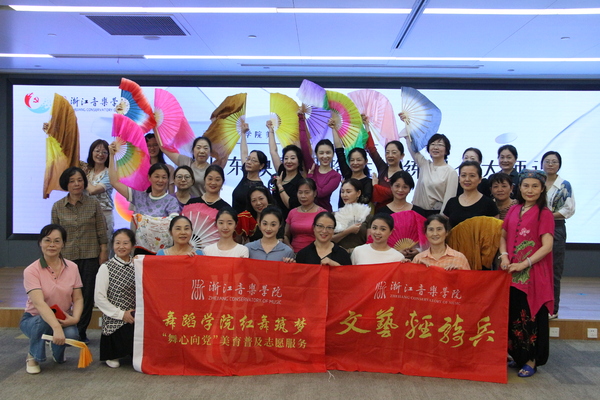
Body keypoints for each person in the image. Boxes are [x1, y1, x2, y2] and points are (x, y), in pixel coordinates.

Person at [499, 169, 554, 378]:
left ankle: (531, 359)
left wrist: (524, 264)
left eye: (535, 186)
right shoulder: (514, 209)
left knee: (530, 316)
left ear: (542, 189)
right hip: (511, 272)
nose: (530, 190)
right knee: (514, 314)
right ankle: (518, 355)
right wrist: (504, 256)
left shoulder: (544, 213)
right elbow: (503, 235)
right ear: (519, 188)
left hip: (533, 274)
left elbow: (547, 246)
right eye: (526, 186)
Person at [51, 167, 108, 343]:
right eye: (72, 181)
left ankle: (80, 332)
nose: (76, 184)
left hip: (90, 256)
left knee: (87, 295)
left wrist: (104, 251)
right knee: (65, 295)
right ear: (65, 184)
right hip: (66, 258)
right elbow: (54, 236)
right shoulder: (58, 206)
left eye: (80, 180)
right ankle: (65, 329)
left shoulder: (93, 204)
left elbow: (101, 230)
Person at [20, 224, 83, 374]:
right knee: (42, 322)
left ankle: (56, 348)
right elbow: (39, 303)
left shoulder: (73, 267)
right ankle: (33, 356)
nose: (52, 245)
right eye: (47, 240)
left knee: (73, 334)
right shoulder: (31, 270)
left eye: (57, 241)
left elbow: (78, 298)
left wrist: (75, 319)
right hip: (34, 319)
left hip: (61, 316)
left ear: (63, 244)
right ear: (40, 243)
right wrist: (56, 328)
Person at [109, 142, 180, 254]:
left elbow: (174, 223)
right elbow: (114, 182)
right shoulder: (139, 196)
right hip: (140, 251)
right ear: (149, 178)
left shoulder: (171, 201)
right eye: (157, 176)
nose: (160, 180)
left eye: (164, 177)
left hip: (163, 252)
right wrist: (112, 156)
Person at [94, 228, 136, 368]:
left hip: (136, 314)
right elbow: (99, 298)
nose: (121, 246)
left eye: (125, 243)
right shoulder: (106, 267)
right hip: (115, 317)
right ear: (112, 245)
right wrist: (121, 314)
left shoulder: (138, 264)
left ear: (133, 245)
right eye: (117, 243)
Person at [542, 151, 575, 319]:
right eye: (547, 161)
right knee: (538, 270)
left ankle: (552, 309)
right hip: (536, 227)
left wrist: (546, 216)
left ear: (559, 165)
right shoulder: (537, 182)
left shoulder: (564, 185)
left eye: (554, 161)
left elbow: (568, 209)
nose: (550, 164)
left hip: (556, 228)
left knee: (554, 269)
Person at [405, 133, 458, 217]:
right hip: (418, 212)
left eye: (440, 145)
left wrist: (442, 219)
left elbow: (449, 199)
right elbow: (412, 149)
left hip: (436, 214)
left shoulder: (451, 172)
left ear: (446, 150)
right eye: (432, 144)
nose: (435, 147)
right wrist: (408, 135)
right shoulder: (424, 165)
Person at [299, 117, 341, 211]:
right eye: (321, 153)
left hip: (324, 214)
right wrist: (301, 119)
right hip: (306, 211)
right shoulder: (312, 167)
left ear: (333, 154)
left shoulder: (336, 176)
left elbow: (320, 193)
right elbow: (304, 144)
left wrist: (310, 176)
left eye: (328, 153)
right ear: (317, 154)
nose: (325, 156)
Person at [365, 116, 405, 211]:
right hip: (378, 211)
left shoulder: (403, 175)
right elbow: (371, 149)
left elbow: (392, 193)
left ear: (402, 156)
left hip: (394, 212)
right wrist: (366, 125)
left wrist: (376, 186)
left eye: (394, 152)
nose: (390, 155)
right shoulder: (382, 167)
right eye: (387, 152)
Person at [443, 161, 499, 228]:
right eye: (463, 175)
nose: (467, 179)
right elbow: (445, 228)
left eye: (472, 176)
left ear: (480, 179)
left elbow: (495, 229)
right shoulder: (452, 202)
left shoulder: (488, 203)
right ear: (459, 178)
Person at [268, 119, 304, 220]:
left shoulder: (300, 182)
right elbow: (273, 151)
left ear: (299, 161)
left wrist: (280, 186)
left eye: (292, 158)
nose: (288, 161)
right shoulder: (281, 171)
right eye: (286, 158)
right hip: (273, 218)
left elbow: (290, 205)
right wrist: (271, 130)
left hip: (288, 221)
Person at [332, 124, 372, 208]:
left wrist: (349, 188)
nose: (355, 163)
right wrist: (334, 128)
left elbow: (366, 200)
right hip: (341, 214)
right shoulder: (347, 174)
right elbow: (339, 151)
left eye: (359, 160)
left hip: (357, 215)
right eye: (352, 160)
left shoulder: (368, 182)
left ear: (366, 161)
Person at [231, 121, 267, 213]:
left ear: (261, 166)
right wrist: (243, 133)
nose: (249, 162)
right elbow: (244, 152)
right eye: (249, 159)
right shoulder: (246, 173)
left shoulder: (259, 187)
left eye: (254, 160)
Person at [284, 178, 326, 253]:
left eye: (307, 192)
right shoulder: (292, 212)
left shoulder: (322, 213)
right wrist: (288, 246)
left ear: (315, 193)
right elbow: (286, 235)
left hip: (315, 253)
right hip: (293, 254)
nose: (303, 196)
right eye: (300, 192)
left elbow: (327, 237)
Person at [84, 139, 114, 241]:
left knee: (104, 245)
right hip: (86, 214)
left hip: (104, 214)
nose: (100, 154)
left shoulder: (110, 173)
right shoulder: (87, 171)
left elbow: (94, 190)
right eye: (97, 151)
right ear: (91, 152)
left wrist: (82, 178)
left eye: (104, 152)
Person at [332, 179, 370, 253]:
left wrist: (350, 251)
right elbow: (328, 240)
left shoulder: (367, 216)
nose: (344, 195)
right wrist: (347, 231)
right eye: (342, 192)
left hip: (360, 255)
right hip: (337, 255)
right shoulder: (334, 215)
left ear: (358, 193)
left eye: (348, 192)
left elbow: (370, 243)